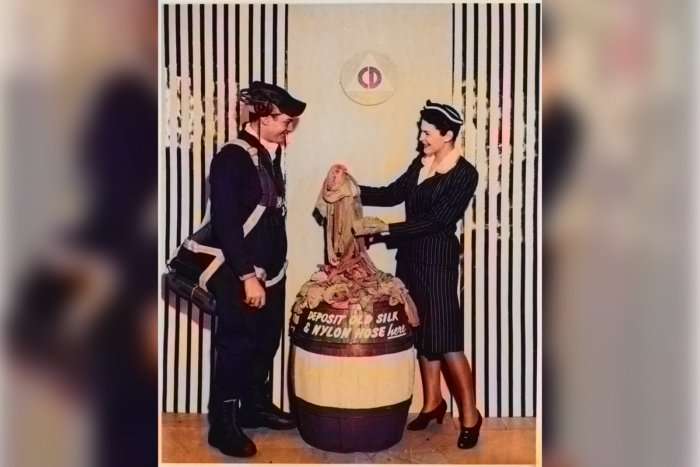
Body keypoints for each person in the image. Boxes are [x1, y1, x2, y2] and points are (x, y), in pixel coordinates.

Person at [353, 101, 482, 449]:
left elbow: (438, 220)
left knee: (447, 341)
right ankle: (432, 403)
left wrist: (385, 230)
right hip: (410, 259)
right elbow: (393, 193)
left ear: (448, 135)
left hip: (437, 262)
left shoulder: (464, 173)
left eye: (427, 133)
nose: (421, 138)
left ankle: (471, 416)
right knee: (422, 333)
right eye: (421, 131)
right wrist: (353, 188)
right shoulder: (422, 163)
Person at [204, 81, 305, 457]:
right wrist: (247, 276)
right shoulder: (232, 157)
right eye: (285, 121)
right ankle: (223, 425)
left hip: (270, 275)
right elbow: (226, 224)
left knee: (265, 342)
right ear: (262, 117)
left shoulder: (266, 155)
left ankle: (253, 407)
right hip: (241, 276)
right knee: (237, 346)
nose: (288, 128)